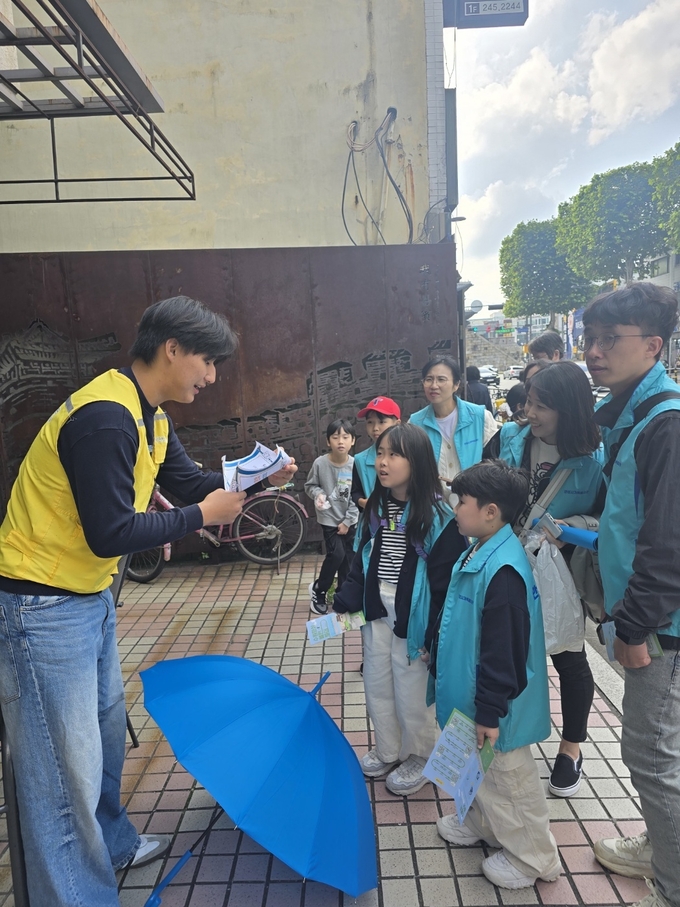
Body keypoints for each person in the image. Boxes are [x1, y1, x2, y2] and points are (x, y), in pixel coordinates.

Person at [0, 296, 297, 907]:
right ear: (172, 349)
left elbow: (189, 484)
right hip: (40, 609)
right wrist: (197, 518)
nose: (210, 376)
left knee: (106, 738)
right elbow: (112, 531)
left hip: (87, 598)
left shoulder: (149, 416)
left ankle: (111, 846)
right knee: (62, 773)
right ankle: (79, 896)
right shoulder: (107, 417)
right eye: (208, 361)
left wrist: (262, 479)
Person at [579, 283, 680, 907]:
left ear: (653, 345)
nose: (594, 353)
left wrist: (635, 627)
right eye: (590, 340)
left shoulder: (664, 424)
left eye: (609, 341)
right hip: (648, 618)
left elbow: (668, 543)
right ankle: (660, 848)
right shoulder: (636, 414)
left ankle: (671, 883)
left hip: (661, 628)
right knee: (654, 750)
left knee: (650, 756)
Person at [429, 460, 561, 890]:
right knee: (478, 772)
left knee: (510, 781)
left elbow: (504, 652)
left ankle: (534, 858)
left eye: (461, 501)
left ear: (490, 511)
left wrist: (489, 709)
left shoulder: (503, 570)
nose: (455, 508)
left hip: (494, 709)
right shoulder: (481, 548)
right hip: (474, 699)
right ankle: (483, 826)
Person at [332, 424, 466, 795]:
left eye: (394, 455)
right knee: (377, 682)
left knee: (411, 690)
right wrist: (346, 600)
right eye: (380, 453)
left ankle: (421, 755)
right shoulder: (376, 505)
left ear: (418, 462)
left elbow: (445, 586)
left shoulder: (439, 516)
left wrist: (434, 634)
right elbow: (362, 556)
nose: (382, 463)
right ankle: (390, 749)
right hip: (377, 609)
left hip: (416, 617)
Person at [491, 360, 603, 796]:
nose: (529, 413)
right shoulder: (510, 439)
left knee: (569, 658)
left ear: (570, 410)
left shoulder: (595, 459)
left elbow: (610, 520)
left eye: (541, 406)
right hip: (509, 561)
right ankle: (507, 733)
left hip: (562, 571)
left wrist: (568, 528)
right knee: (509, 649)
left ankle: (571, 748)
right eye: (530, 402)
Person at [409, 356, 498, 504]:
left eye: (441, 379)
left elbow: (495, 464)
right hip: (434, 508)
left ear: (456, 385)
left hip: (474, 505)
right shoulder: (415, 422)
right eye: (429, 379)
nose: (434, 385)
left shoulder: (480, 417)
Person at [305, 418, 359, 615]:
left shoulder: (356, 465)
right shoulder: (320, 463)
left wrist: (347, 521)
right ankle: (319, 590)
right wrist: (318, 494)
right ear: (328, 441)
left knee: (348, 560)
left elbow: (358, 496)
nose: (340, 441)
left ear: (353, 440)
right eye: (335, 437)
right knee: (336, 554)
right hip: (328, 518)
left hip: (350, 520)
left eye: (345, 437)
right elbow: (310, 485)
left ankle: (342, 594)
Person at [351, 396, 401, 546]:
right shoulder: (360, 459)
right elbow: (355, 491)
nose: (375, 428)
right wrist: (363, 502)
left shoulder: (410, 457)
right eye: (370, 422)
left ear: (397, 423)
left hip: (403, 528)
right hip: (372, 531)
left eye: (382, 421)